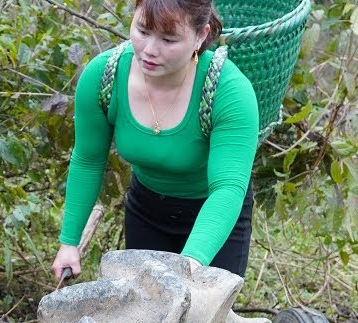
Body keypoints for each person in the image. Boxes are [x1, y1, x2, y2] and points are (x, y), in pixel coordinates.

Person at [51, 0, 260, 281]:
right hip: (147, 211)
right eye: (142, 31)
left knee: (201, 316)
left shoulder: (229, 91)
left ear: (200, 36)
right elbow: (88, 160)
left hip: (215, 214)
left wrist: (190, 263)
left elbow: (227, 188)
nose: (149, 50)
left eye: (169, 39)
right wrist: (69, 242)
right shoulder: (104, 77)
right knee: (141, 315)